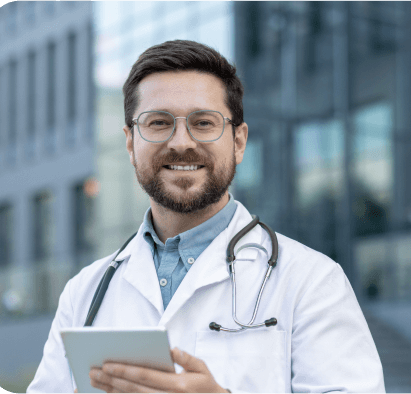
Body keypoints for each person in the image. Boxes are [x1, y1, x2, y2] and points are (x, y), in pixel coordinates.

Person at [26, 40, 385, 394]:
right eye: (158, 122)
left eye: (203, 122)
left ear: (239, 141)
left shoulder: (311, 281)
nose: (181, 142)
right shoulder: (85, 293)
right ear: (131, 143)